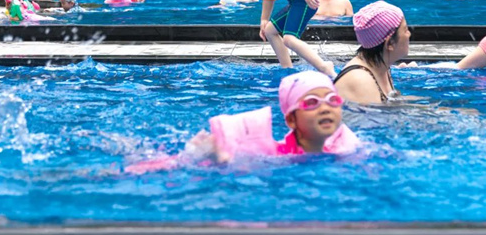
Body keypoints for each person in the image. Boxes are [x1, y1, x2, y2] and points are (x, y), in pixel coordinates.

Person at [125, 71, 360, 173]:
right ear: (291, 119)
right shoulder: (272, 156)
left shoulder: (346, 148)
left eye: (332, 100)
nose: (325, 108)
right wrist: (198, 155)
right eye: (311, 103)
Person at [334, 1, 411, 104]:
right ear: (390, 43)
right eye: (405, 30)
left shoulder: (381, 66)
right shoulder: (361, 82)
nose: (409, 34)